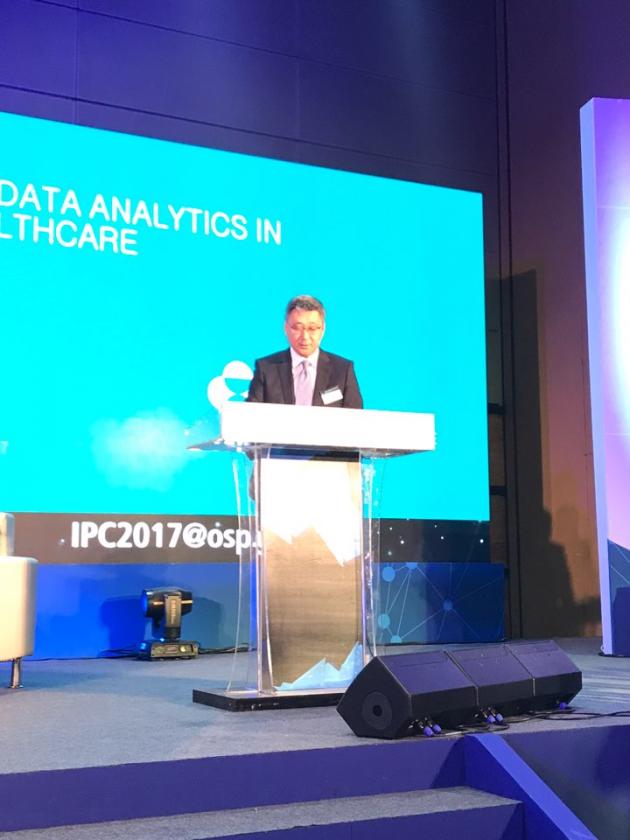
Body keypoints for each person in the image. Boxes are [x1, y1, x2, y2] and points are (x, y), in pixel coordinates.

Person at [247, 295, 363, 408]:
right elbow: (251, 414)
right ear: (286, 328)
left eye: (312, 328)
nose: (305, 337)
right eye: (297, 328)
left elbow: (355, 416)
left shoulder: (342, 370)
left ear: (323, 329)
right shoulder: (266, 369)